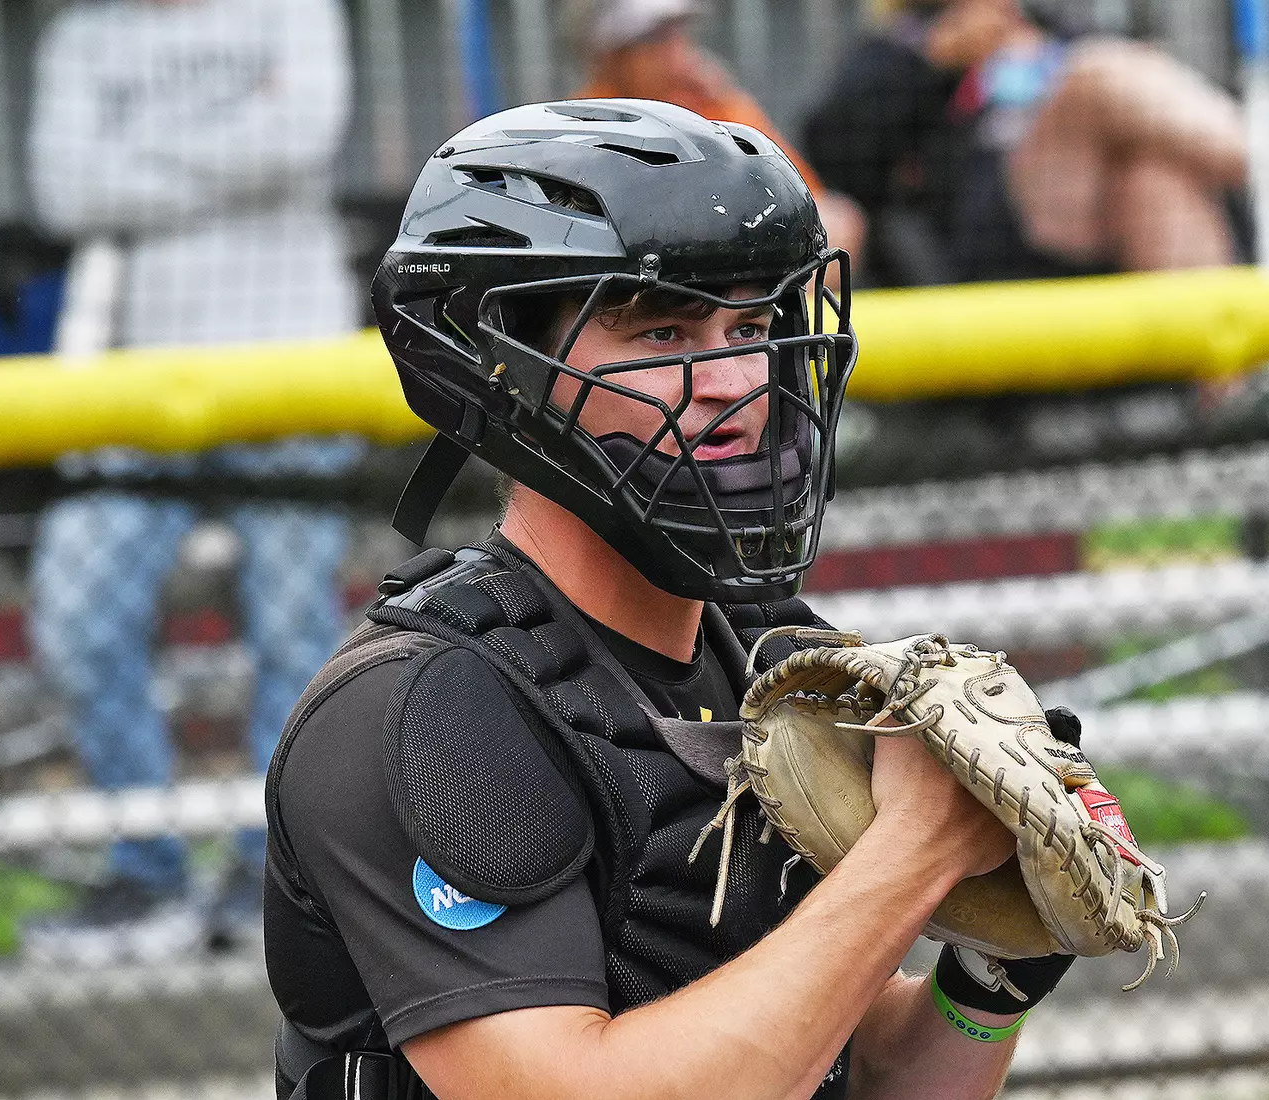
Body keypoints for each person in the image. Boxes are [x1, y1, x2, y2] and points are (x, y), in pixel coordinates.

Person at [264, 99, 1082, 1100]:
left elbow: (854, 1067)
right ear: (503, 366)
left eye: (751, 324)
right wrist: (911, 854)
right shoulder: (422, 712)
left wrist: (993, 972)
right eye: (662, 330)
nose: (735, 378)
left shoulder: (771, 654)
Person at [20, 0, 360, 964]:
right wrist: (232, 146)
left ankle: (273, 878)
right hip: (137, 375)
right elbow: (63, 191)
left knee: (294, 631)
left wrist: (138, 166)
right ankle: (150, 873)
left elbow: (302, 137)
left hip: (293, 367)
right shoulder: (84, 35)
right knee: (76, 613)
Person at [805, 0, 1269, 281]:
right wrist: (933, 62)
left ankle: (1231, 395)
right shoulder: (902, 49)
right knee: (1098, 77)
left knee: (1152, 172)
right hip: (997, 234)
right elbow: (834, 151)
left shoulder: (1058, 28)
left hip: (1113, 224)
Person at [567, 0, 866, 269]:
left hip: (726, 253)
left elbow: (799, 194)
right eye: (655, 38)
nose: (674, 50)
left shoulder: (707, 101)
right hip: (648, 268)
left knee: (839, 220)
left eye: (677, 33)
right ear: (610, 57)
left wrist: (726, 98)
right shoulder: (591, 116)